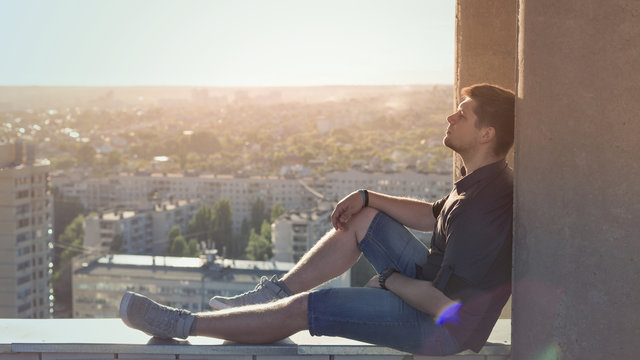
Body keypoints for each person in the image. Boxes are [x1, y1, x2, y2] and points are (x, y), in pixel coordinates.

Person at [119, 83, 515, 356]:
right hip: (432, 286)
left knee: (309, 308)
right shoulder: (478, 182)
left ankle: (181, 323)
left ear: (486, 134)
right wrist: (366, 197)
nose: (450, 116)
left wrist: (390, 281)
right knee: (367, 219)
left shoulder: (484, 208)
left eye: (462, 115)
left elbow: (448, 307)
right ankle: (271, 295)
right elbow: (434, 216)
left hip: (440, 326)